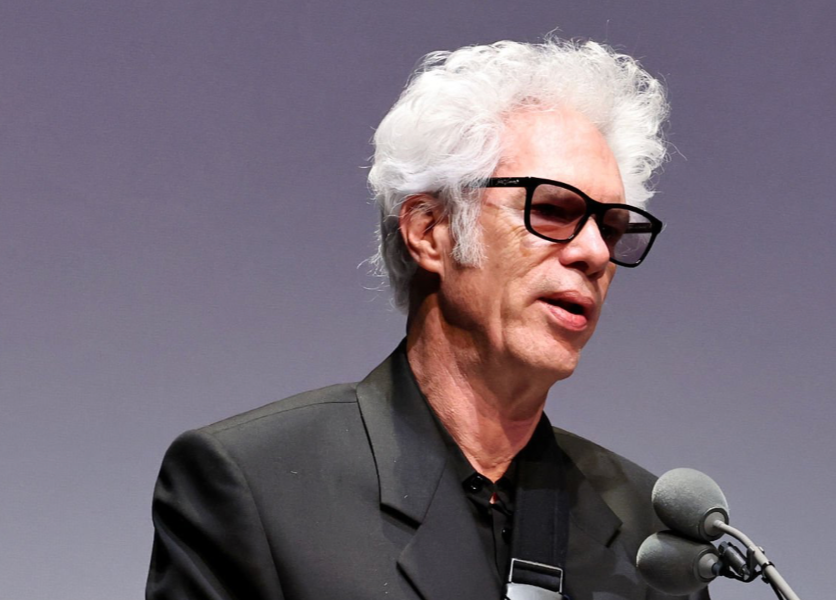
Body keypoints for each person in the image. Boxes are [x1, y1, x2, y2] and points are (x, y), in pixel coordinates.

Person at [146, 39, 707, 600]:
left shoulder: (651, 540)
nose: (595, 253)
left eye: (611, 228)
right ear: (429, 231)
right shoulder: (257, 484)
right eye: (553, 210)